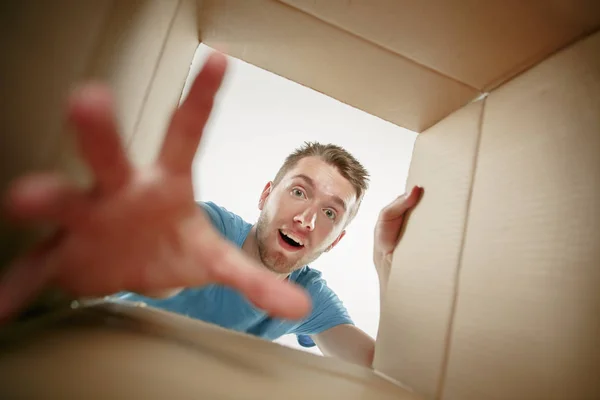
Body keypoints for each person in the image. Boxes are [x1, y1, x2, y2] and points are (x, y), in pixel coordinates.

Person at [0, 51, 422, 367]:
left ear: (337, 239)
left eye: (331, 213)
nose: (307, 218)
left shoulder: (310, 297)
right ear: (264, 195)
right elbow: (164, 256)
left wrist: (385, 261)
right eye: (299, 192)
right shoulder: (203, 224)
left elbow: (380, 368)